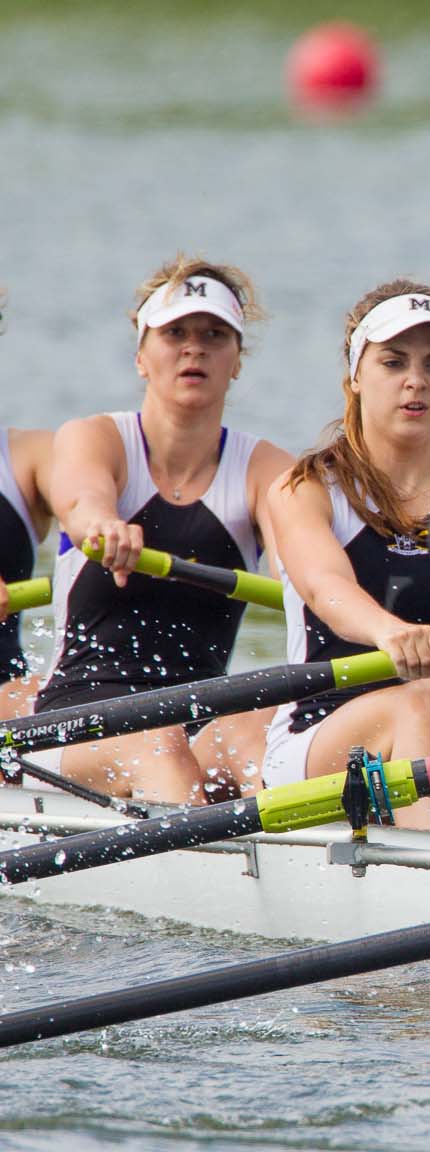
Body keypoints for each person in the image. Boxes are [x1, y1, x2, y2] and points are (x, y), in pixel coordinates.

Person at [41, 258, 292, 803]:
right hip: (77, 720)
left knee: (263, 732)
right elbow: (82, 501)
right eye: (174, 332)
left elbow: (300, 561)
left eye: (214, 335)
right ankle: (210, 875)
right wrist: (103, 527)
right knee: (158, 745)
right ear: (141, 356)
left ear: (237, 361)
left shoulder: (266, 468)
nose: (193, 348)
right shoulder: (96, 438)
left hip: (198, 720)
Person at [263, 282, 430, 831]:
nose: (416, 381)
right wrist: (388, 631)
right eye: (393, 362)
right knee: (428, 698)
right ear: (356, 377)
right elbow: (324, 587)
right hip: (318, 744)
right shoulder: (306, 488)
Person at [0, 422, 55, 721]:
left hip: (7, 694)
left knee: (34, 693)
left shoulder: (32, 454)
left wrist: (100, 523)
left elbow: (84, 501)